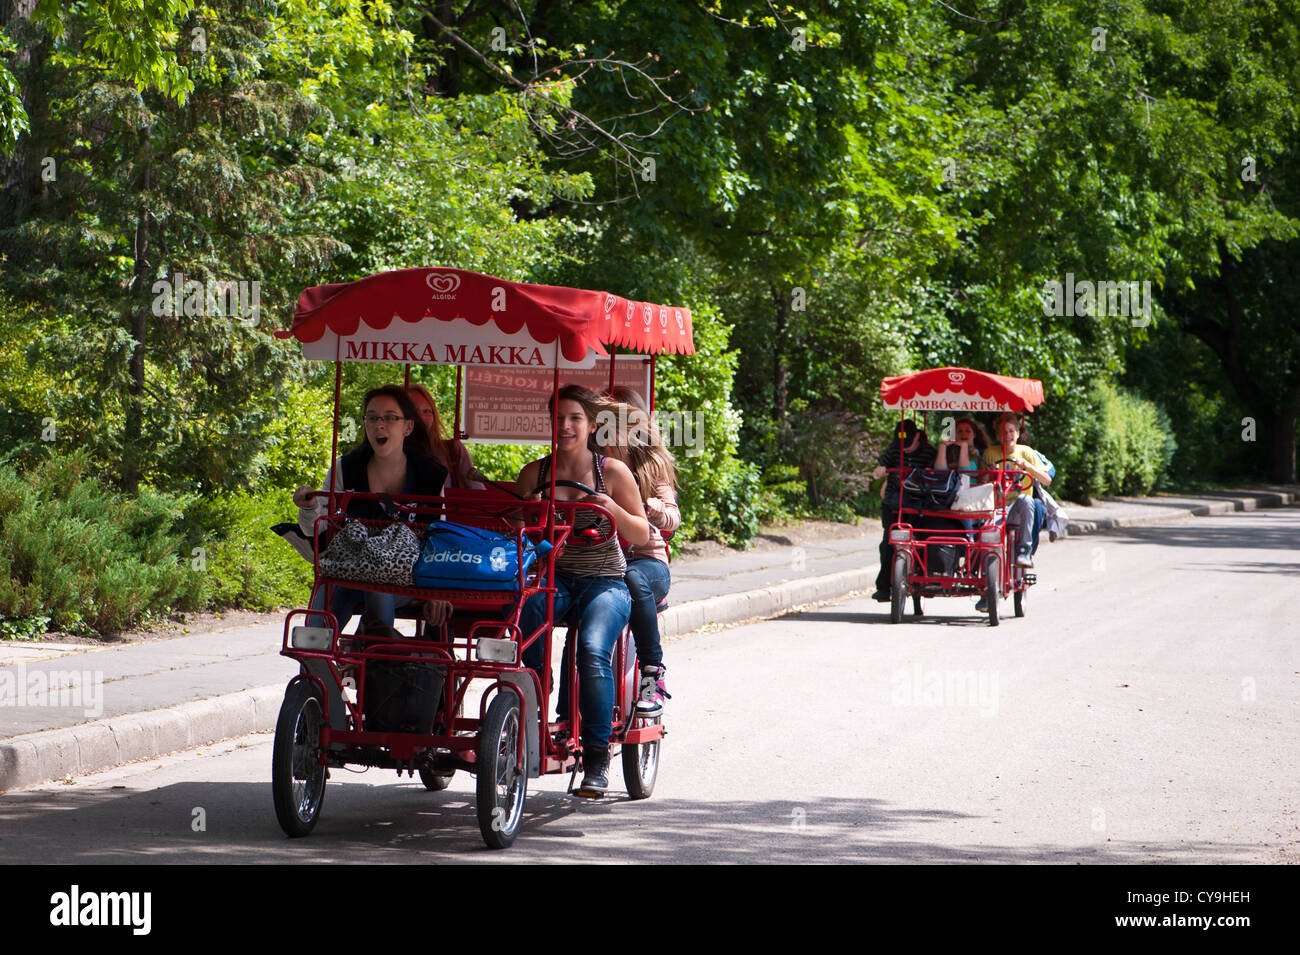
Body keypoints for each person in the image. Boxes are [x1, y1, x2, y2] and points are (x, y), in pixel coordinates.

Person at [514, 385, 650, 797]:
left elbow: (642, 532)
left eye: (574, 418)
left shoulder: (611, 472)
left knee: (592, 649)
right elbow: (514, 534)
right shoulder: (534, 473)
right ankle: (531, 718)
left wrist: (613, 509)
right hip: (552, 577)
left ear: (592, 424)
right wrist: (529, 512)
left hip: (605, 581)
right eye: (558, 418)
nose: (565, 426)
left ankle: (596, 758)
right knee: (525, 631)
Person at [294, 385, 453, 633]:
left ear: (407, 427)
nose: (380, 425)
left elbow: (439, 537)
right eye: (372, 417)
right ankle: (317, 663)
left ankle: (374, 659)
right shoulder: (345, 468)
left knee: (377, 587)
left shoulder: (431, 476)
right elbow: (317, 526)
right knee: (317, 625)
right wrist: (309, 508)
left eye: (390, 418)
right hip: (350, 570)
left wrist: (438, 590)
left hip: (404, 577)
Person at [605, 385, 677, 717]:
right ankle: (564, 709)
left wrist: (656, 510)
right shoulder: (591, 463)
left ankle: (653, 674)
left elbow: (673, 518)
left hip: (647, 562)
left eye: (622, 418)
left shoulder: (652, 463)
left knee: (633, 578)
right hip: (603, 562)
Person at [870, 419, 936, 602]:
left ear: (917, 437)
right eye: (902, 445)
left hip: (919, 502)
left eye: (908, 444)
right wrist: (880, 470)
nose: (904, 448)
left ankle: (927, 577)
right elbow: (882, 464)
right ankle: (883, 587)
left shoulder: (928, 451)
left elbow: (937, 470)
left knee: (924, 539)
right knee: (887, 544)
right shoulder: (893, 449)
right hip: (895, 502)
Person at [405, 382, 480, 491]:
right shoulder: (387, 451)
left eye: (427, 411)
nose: (420, 417)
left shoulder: (452, 450)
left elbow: (478, 492)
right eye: (413, 411)